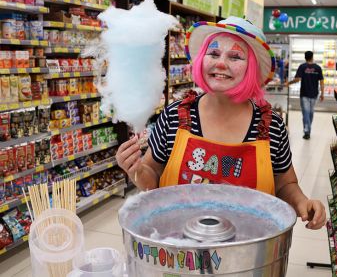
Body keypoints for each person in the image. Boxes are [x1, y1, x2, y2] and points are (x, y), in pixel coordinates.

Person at [116, 17, 326, 230]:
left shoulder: (271, 126)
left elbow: (285, 184)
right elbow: (152, 177)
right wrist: (136, 170)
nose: (221, 63)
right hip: (179, 250)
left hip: (247, 253)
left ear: (251, 69)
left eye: (235, 57)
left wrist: (303, 202)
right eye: (214, 53)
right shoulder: (174, 116)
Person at [286, 51, 324, 140]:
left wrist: (289, 83)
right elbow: (321, 82)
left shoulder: (302, 67)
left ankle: (307, 130)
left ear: (305, 57)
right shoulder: (317, 68)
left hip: (304, 93)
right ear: (312, 57)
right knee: (310, 113)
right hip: (314, 94)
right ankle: (307, 131)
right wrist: (322, 93)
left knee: (306, 113)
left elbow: (297, 79)